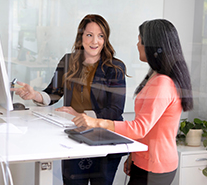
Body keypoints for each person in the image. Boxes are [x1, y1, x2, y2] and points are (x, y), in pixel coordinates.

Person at [71, 19, 194, 185]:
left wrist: (97, 122)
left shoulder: (162, 82)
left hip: (155, 166)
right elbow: (149, 127)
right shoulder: (156, 76)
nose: (137, 45)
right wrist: (134, 155)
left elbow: (140, 127)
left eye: (140, 40)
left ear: (153, 47)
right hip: (145, 161)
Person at [11, 14, 129, 185]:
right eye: (89, 34)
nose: (95, 41)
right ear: (81, 37)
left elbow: (115, 110)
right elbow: (53, 93)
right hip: (75, 136)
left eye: (100, 35)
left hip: (104, 139)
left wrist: (81, 114)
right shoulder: (68, 61)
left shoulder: (115, 68)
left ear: (105, 39)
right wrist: (34, 95)